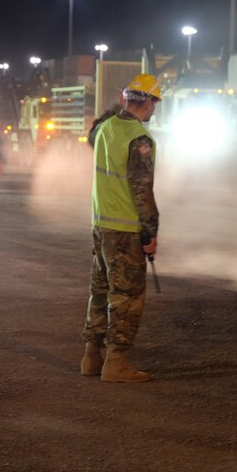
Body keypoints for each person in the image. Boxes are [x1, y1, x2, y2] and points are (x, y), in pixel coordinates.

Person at [80, 73, 161, 383]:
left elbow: (93, 133)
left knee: (100, 290)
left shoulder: (105, 128)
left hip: (101, 223)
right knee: (126, 296)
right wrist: (150, 232)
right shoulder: (139, 139)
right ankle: (116, 362)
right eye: (154, 101)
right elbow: (142, 190)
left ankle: (91, 356)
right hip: (126, 230)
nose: (154, 108)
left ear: (126, 97)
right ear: (150, 102)